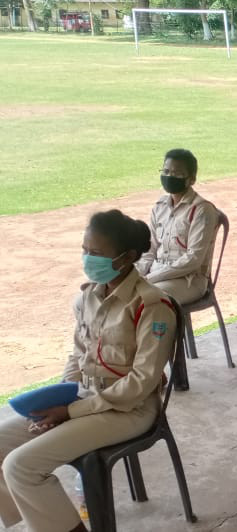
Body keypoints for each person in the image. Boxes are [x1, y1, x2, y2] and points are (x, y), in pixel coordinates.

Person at [0, 210, 176, 532]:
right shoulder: (88, 297)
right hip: (84, 398)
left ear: (127, 258)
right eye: (85, 249)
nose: (87, 258)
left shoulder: (151, 305)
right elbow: (78, 355)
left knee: (20, 466)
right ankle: (38, 523)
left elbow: (141, 383)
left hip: (129, 410)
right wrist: (61, 396)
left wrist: (70, 412)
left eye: (96, 252)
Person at [136, 148, 220, 305]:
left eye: (177, 174)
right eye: (166, 171)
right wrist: (135, 274)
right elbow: (150, 249)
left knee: (147, 298)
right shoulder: (160, 206)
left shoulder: (201, 210)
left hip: (189, 280)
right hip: (156, 274)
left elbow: (193, 259)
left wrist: (150, 278)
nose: (169, 177)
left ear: (191, 179)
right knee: (119, 291)